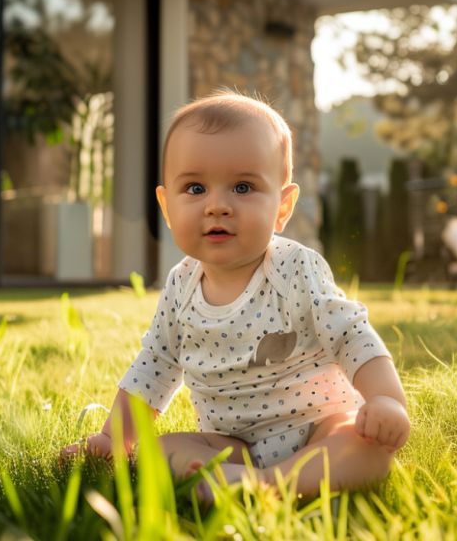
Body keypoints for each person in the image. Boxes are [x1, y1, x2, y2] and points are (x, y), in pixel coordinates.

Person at [61, 91, 410, 499]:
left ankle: (262, 487)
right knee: (157, 451)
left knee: (366, 445)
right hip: (232, 445)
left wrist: (385, 399)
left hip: (319, 428)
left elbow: (352, 335)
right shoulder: (180, 287)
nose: (217, 206)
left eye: (243, 187)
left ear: (283, 206)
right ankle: (245, 480)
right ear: (166, 206)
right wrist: (113, 439)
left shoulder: (296, 269)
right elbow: (153, 368)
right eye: (194, 188)